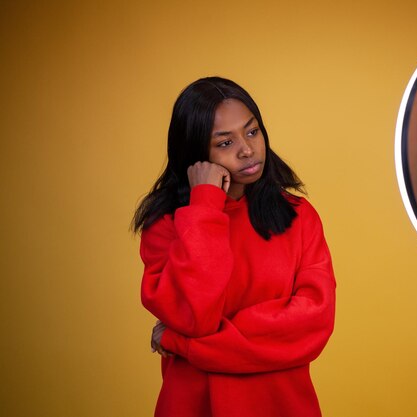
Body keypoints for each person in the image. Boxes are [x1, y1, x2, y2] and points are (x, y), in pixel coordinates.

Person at [132, 77, 336, 417]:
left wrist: (180, 342)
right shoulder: (166, 225)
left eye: (252, 132)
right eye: (225, 143)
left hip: (283, 407)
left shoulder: (299, 217)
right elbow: (195, 316)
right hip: (195, 407)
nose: (246, 149)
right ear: (195, 154)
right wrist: (204, 207)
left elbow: (308, 328)